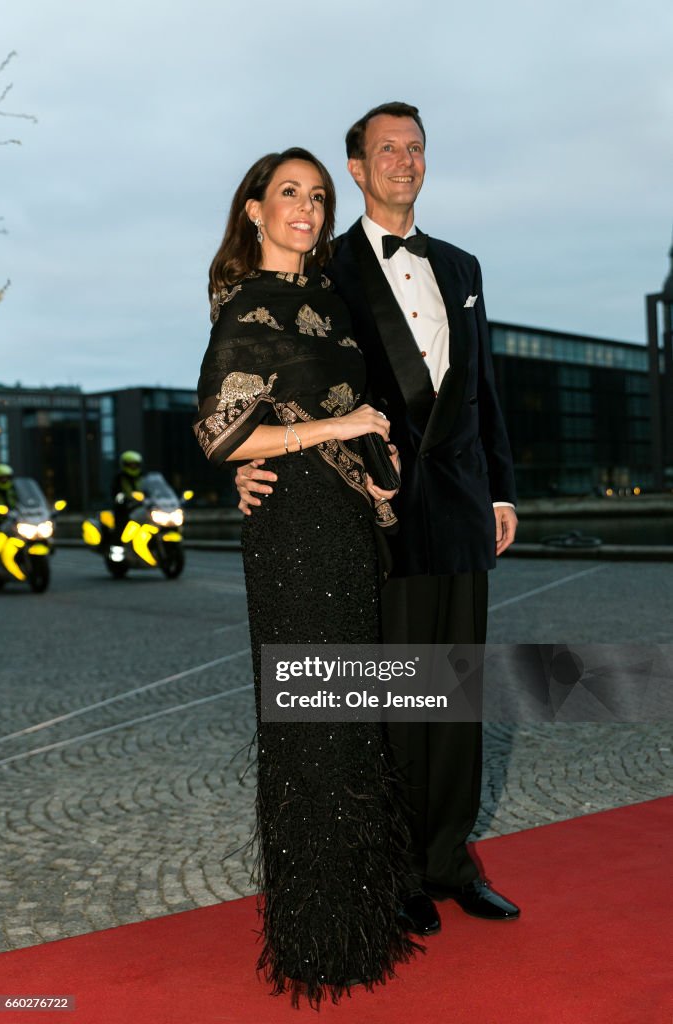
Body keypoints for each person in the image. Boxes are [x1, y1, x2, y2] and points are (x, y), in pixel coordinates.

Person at [237, 103, 520, 937]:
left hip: (464, 509)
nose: (404, 159)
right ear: (355, 168)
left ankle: (447, 860)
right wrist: (252, 464)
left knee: (456, 693)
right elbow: (269, 377)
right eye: (385, 148)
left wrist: (500, 491)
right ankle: (394, 865)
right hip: (378, 511)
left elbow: (484, 391)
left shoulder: (463, 266)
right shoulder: (323, 270)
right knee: (395, 697)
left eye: (415, 147)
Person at [193, 147, 416, 1004]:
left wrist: (370, 438)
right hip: (292, 535)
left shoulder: (326, 297)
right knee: (312, 729)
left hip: (346, 527)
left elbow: (328, 408)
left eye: (317, 197)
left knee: (350, 718)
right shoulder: (247, 302)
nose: (307, 208)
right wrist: (332, 430)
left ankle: (358, 920)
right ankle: (317, 941)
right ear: (252, 209)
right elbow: (218, 433)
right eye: (289, 193)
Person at [110, 450, 144, 541]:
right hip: (125, 508)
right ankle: (119, 546)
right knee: (121, 526)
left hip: (142, 507)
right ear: (125, 465)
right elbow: (115, 493)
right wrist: (122, 498)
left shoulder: (143, 476)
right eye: (131, 464)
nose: (134, 467)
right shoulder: (119, 477)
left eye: (135, 464)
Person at [0, 463, 17, 549]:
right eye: (1, 478)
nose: (4, 480)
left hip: (13, 520)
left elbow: (23, 500)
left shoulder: (13, 489)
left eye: (6, 477)